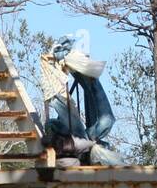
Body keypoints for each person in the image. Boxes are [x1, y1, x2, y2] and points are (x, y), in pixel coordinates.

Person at [40, 36, 122, 166]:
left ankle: (83, 74)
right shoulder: (80, 150)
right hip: (80, 141)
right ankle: (86, 76)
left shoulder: (68, 144)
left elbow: (77, 143)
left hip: (74, 138)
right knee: (106, 121)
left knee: (105, 122)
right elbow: (81, 143)